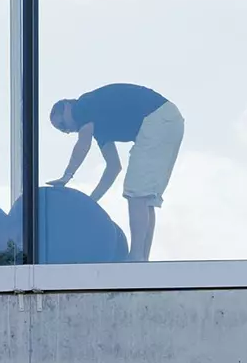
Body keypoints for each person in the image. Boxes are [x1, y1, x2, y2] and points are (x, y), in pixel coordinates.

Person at [48, 84, 184, 261]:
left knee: (136, 193)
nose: (66, 130)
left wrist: (66, 176)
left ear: (66, 106)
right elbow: (113, 168)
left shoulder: (82, 106)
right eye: (62, 130)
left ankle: (136, 257)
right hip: (169, 121)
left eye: (62, 124)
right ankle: (141, 258)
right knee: (145, 198)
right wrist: (91, 201)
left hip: (157, 118)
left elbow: (83, 144)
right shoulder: (98, 124)